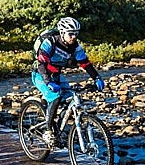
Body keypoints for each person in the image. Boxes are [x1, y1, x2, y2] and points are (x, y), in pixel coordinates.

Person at [33, 16, 105, 147]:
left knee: (71, 98)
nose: (73, 37)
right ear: (62, 33)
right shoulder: (50, 43)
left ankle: (58, 126)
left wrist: (97, 78)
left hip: (56, 75)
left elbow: (85, 63)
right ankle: (48, 131)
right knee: (55, 97)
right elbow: (41, 63)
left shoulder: (75, 46)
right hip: (40, 74)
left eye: (76, 34)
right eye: (70, 34)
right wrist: (48, 82)